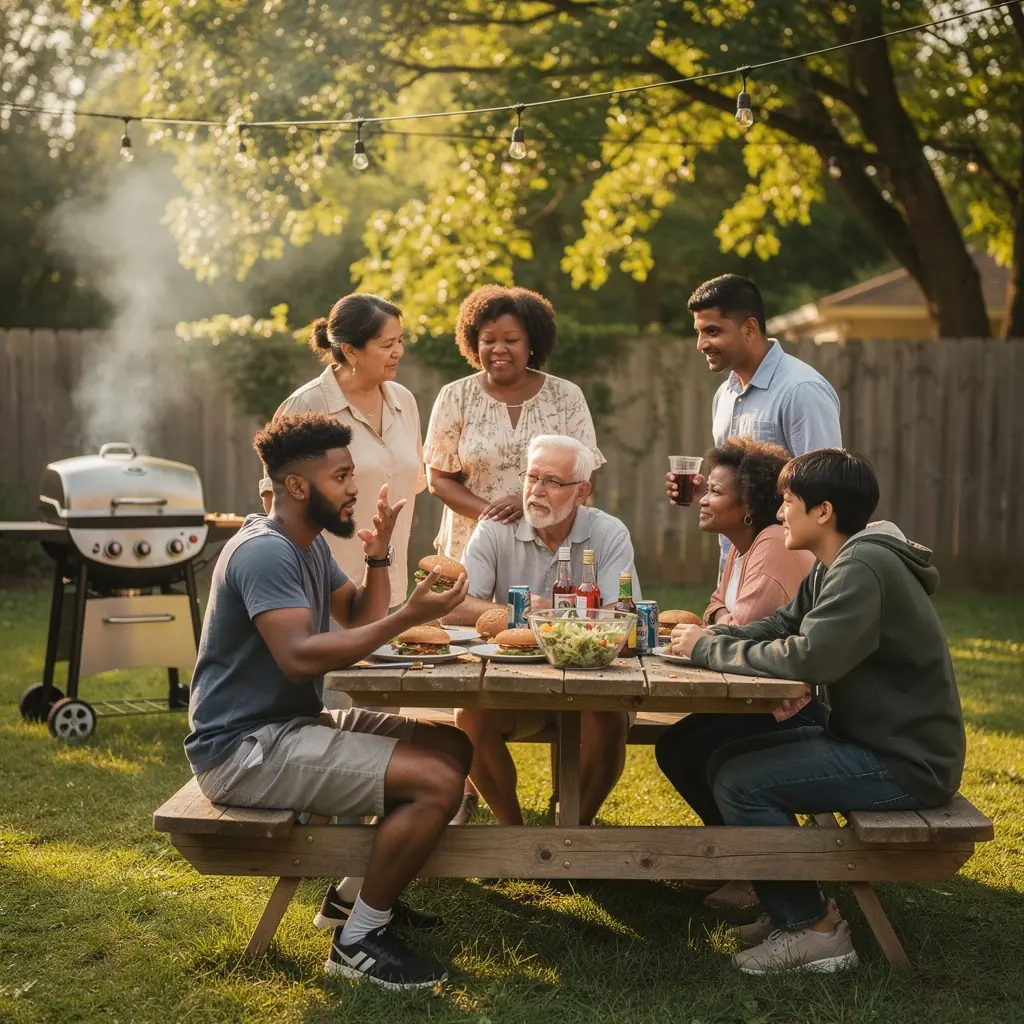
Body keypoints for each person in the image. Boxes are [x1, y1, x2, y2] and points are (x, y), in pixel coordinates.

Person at [188, 413, 472, 990]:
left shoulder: (307, 544)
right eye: (341, 477)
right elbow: (299, 657)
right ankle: (358, 941)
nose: (353, 489)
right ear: (297, 486)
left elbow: (360, 617)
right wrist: (410, 617)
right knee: (438, 782)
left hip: (291, 725)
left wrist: (379, 557)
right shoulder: (265, 554)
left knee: (452, 746)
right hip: (245, 750)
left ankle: (353, 899)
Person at [671, 449, 966, 974]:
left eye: (788, 501)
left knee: (743, 782)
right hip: (870, 741)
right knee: (722, 760)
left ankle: (814, 932)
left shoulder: (864, 567)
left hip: (906, 764)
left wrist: (707, 649)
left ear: (823, 511)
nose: (779, 512)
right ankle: (790, 906)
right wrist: (716, 637)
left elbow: (812, 657)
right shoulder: (838, 562)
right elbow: (783, 625)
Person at [654, 437, 815, 911]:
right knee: (677, 745)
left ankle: (750, 871)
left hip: (790, 703)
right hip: (756, 691)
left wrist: (722, 621)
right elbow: (714, 610)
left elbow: (735, 633)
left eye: (715, 492)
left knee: (698, 750)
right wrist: (722, 619)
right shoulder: (741, 549)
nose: (702, 499)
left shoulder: (772, 545)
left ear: (748, 507)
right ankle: (735, 857)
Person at [445, 435, 640, 827]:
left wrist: (548, 619)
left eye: (552, 481)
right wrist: (517, 613)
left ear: (582, 491)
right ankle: (513, 831)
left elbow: (619, 615)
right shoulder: (494, 530)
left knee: (608, 717)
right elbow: (456, 605)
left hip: (592, 682)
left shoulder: (609, 532)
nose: (536, 490)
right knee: (471, 717)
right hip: (515, 682)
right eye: (532, 477)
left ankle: (574, 829)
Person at [666, 274, 842, 575]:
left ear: (749, 328)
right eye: (698, 332)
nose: (701, 344)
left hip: (788, 573)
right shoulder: (724, 395)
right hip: (734, 569)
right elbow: (749, 485)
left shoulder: (801, 391)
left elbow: (825, 493)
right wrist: (710, 492)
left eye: (712, 331)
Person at [260, 293, 424, 611]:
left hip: (391, 590)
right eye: (387, 344)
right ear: (350, 350)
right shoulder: (307, 405)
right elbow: (275, 502)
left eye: (400, 341)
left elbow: (407, 487)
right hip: (325, 595)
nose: (398, 352)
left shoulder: (405, 402)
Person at [423, 284, 604, 563]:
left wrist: (527, 503)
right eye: (488, 340)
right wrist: (494, 515)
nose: (499, 349)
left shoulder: (565, 396)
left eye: (511, 339)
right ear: (474, 343)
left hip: (547, 541)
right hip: (471, 543)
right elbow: (439, 480)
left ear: (532, 344)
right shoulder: (455, 396)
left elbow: (586, 472)